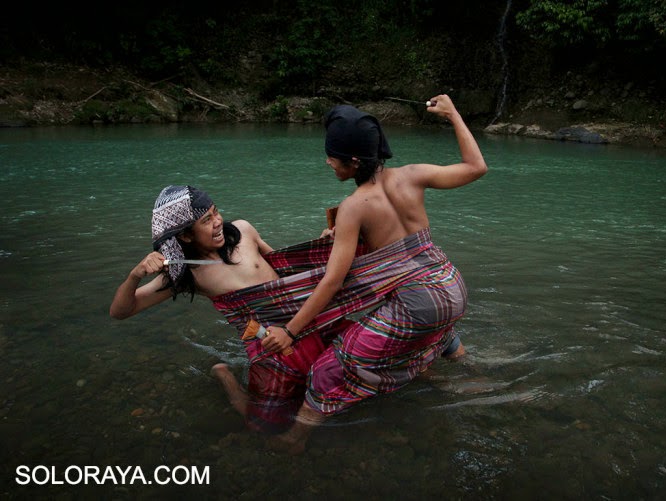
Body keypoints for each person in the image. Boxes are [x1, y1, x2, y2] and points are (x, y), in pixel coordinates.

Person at [263, 94, 488, 453]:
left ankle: (294, 440)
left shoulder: (354, 207)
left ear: (353, 163)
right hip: (451, 285)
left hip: (419, 304)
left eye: (332, 158)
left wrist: (290, 331)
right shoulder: (413, 175)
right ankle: (474, 379)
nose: (328, 162)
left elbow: (333, 281)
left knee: (331, 367)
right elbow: (476, 167)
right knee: (430, 330)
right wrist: (453, 114)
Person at [109, 185, 345, 432]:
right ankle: (225, 376)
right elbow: (121, 311)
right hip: (264, 341)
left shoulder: (243, 230)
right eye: (206, 220)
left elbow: (285, 270)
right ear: (186, 236)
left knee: (347, 369)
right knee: (264, 425)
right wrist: (135, 275)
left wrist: (322, 246)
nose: (218, 222)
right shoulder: (188, 274)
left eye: (216, 212)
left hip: (300, 320)